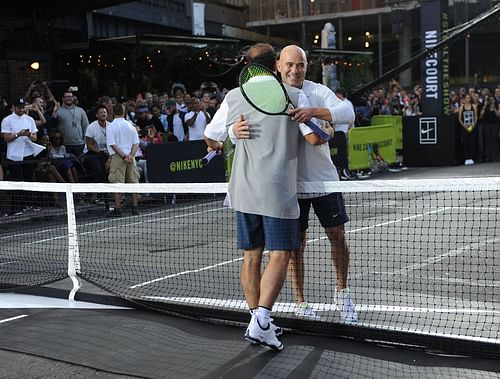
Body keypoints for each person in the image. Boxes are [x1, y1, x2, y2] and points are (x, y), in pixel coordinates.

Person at [205, 43, 329, 351]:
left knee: (251, 256)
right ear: (275, 66)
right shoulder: (294, 97)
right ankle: (261, 320)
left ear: (248, 66)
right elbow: (315, 138)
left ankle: (257, 320)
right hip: (278, 191)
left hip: (243, 190)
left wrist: (232, 133)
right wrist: (326, 125)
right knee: (280, 255)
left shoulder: (232, 98)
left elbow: (210, 139)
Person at [231, 45, 358, 323]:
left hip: (323, 181)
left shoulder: (316, 91)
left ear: (306, 66)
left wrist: (313, 112)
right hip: (287, 185)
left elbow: (347, 112)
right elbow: (230, 128)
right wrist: (232, 131)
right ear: (278, 66)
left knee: (337, 237)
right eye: (289, 64)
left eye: (299, 65)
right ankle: (300, 301)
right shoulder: (267, 94)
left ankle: (343, 292)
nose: (294, 70)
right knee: (294, 247)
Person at [1, 97, 39, 214]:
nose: (21, 109)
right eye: (19, 107)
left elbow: (35, 137)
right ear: (14, 107)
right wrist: (18, 134)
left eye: (22, 107)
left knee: (28, 179)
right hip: (14, 155)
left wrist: (29, 135)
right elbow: (6, 137)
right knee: (16, 181)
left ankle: (29, 204)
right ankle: (17, 206)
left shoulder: (29, 119)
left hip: (28, 153)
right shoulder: (7, 120)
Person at [106, 103, 140, 217]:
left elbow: (113, 145)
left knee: (117, 182)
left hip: (117, 156)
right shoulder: (130, 125)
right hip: (130, 156)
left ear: (113, 113)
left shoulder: (110, 126)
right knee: (133, 181)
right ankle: (135, 207)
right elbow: (136, 143)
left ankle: (118, 208)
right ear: (124, 112)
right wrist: (130, 155)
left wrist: (124, 156)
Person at [51, 90, 89, 157]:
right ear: (63, 98)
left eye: (71, 96)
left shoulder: (81, 110)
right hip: (65, 144)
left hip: (79, 144)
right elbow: (53, 125)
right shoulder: (58, 110)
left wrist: (85, 142)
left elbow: (86, 127)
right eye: (67, 97)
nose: (69, 98)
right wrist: (54, 112)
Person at [458, 93, 478, 165]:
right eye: (466, 98)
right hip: (464, 127)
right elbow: (460, 119)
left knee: (473, 142)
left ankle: (472, 157)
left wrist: (473, 125)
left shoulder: (474, 106)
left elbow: (476, 117)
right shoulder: (461, 107)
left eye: (469, 98)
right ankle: (467, 158)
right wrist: (465, 126)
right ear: (464, 99)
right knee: (466, 143)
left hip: (472, 126)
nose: (468, 99)